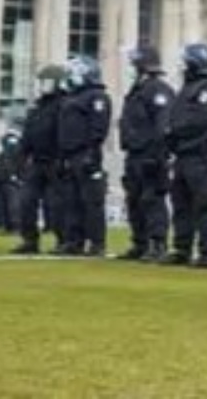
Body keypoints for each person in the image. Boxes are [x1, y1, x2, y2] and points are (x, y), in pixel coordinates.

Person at [162, 42, 207, 269]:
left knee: (205, 202)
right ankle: (182, 247)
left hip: (198, 154)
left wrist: (177, 133)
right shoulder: (187, 88)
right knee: (181, 202)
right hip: (181, 154)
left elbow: (203, 122)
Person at [116, 43, 175, 262]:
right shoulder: (137, 90)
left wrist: (158, 154)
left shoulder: (158, 89)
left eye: (134, 64)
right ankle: (140, 242)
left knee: (152, 199)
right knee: (134, 199)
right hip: (134, 153)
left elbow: (162, 124)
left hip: (151, 154)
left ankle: (157, 243)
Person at [56, 55, 112, 257]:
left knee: (92, 201)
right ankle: (74, 240)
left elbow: (99, 128)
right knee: (72, 200)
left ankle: (97, 243)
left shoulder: (97, 96)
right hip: (70, 154)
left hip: (86, 153)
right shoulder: (72, 98)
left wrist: (91, 152)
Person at [11, 64, 65, 255]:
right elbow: (28, 135)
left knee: (57, 204)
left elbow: (66, 134)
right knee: (26, 201)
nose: (43, 86)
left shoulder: (63, 105)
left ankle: (63, 240)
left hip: (55, 160)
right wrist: (21, 158)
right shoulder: (38, 107)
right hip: (37, 161)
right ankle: (29, 239)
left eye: (47, 82)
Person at [0, 131, 22, 232]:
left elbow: (19, 165)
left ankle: (15, 226)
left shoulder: (16, 151)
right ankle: (8, 226)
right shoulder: (3, 154)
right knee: (5, 205)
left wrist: (15, 176)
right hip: (3, 181)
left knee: (13, 205)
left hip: (12, 182)